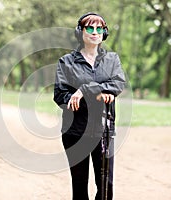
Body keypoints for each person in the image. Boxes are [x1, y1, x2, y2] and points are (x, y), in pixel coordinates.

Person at [53, 12, 126, 200]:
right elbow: (61, 95)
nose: (95, 32)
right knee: (79, 186)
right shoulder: (66, 62)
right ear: (80, 32)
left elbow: (118, 83)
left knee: (105, 187)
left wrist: (84, 90)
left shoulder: (112, 60)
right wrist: (98, 92)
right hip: (75, 132)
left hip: (104, 131)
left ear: (104, 32)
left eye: (99, 28)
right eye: (90, 28)